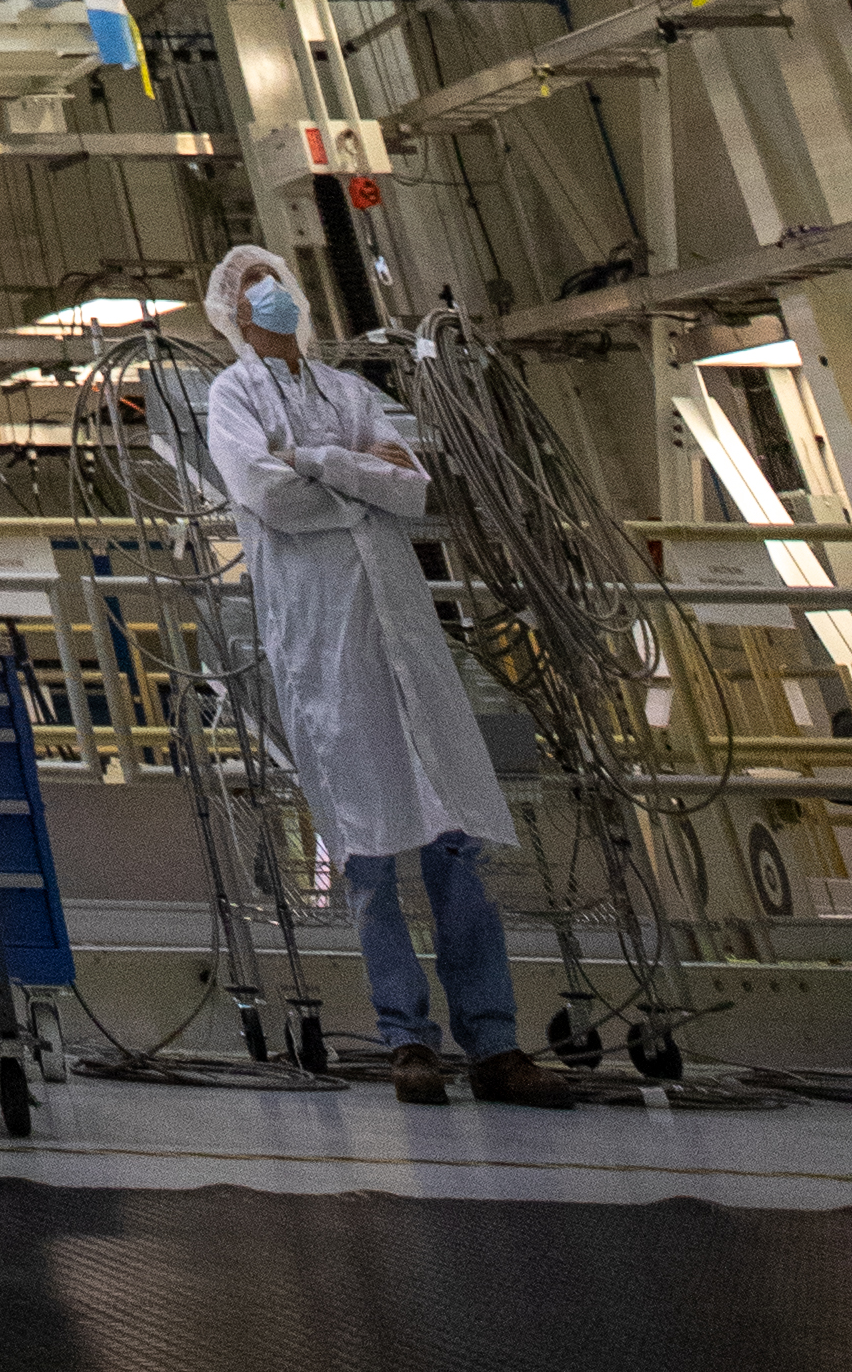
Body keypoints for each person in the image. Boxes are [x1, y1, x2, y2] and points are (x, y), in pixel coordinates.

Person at [200, 243, 578, 1103]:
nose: (272, 301)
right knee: (367, 847)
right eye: (252, 293)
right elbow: (268, 498)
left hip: (401, 625)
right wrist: (357, 483)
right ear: (233, 313)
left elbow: (414, 486)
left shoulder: (348, 392)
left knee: (454, 836)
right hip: (322, 631)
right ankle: (407, 1040)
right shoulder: (233, 398)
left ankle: (494, 1044)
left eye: (276, 287)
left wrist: (324, 463)